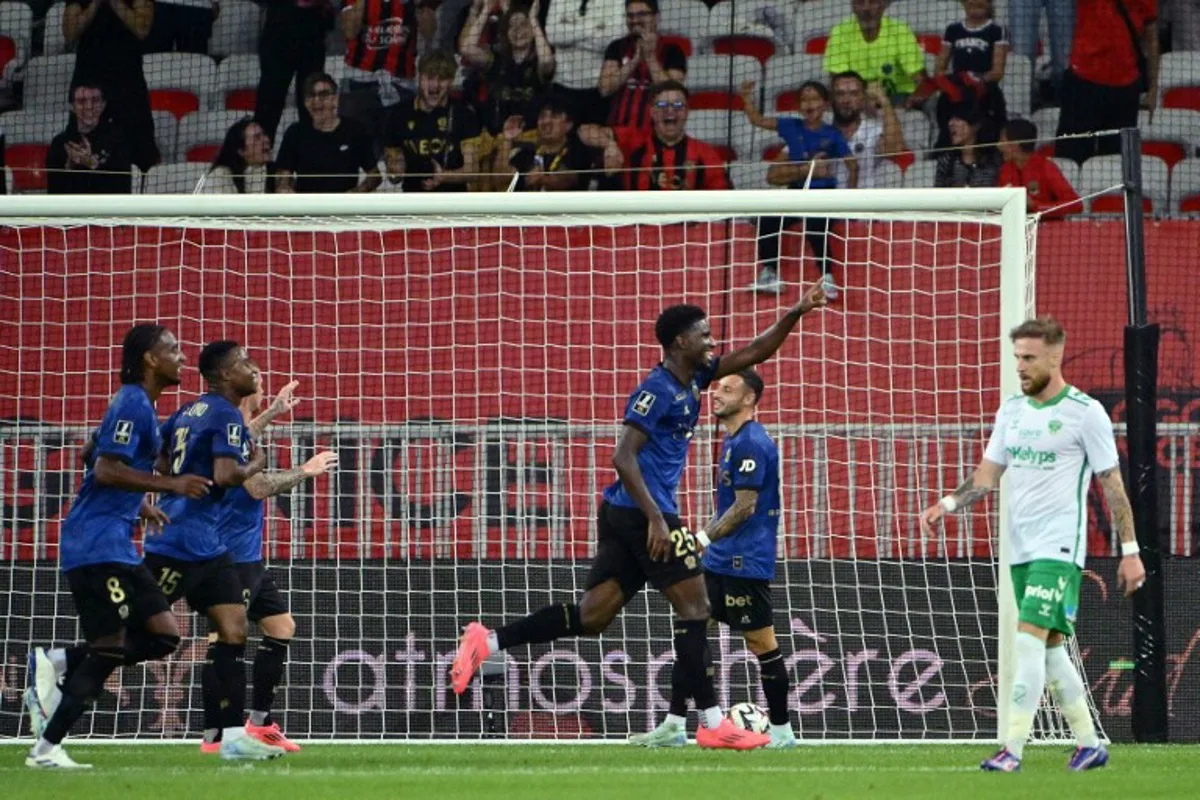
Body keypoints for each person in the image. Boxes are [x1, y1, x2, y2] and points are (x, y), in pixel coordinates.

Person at [451, 286, 829, 750]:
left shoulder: (697, 376)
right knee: (695, 608)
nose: (712, 342)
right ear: (678, 344)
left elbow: (757, 351)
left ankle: (486, 641)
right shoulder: (656, 390)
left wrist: (796, 311)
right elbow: (622, 457)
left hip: (625, 513)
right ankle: (710, 723)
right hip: (641, 512)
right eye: (703, 335)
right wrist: (655, 519)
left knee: (593, 616)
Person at [919, 316, 1145, 772]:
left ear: (1055, 357)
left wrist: (1131, 550)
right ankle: (1089, 743)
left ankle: (1012, 749)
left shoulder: (1085, 412)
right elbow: (987, 475)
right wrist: (947, 503)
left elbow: (1113, 484)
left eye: (1028, 358)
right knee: (1049, 649)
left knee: (1026, 641)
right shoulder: (1012, 412)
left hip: (1058, 549)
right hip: (1020, 550)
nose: (1020, 367)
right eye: (1016, 357)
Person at [22, 325, 210, 769]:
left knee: (165, 634)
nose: (182, 357)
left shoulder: (137, 406)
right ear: (149, 358)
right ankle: (45, 750)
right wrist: (168, 484)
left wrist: (139, 503)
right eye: (173, 350)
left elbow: (91, 453)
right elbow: (105, 469)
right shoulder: (131, 401)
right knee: (109, 646)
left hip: (117, 544)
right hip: (94, 544)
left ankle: (57, 660)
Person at [631, 369, 798, 749]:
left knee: (761, 644)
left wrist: (701, 538)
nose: (717, 393)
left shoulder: (752, 442)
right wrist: (703, 540)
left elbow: (745, 506)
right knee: (691, 633)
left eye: (728, 388)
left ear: (750, 399)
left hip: (745, 562)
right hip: (721, 559)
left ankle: (783, 732)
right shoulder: (733, 440)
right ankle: (674, 723)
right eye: (717, 387)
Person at [142, 340, 284, 761]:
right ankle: (61, 668)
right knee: (136, 634)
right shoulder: (224, 414)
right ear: (223, 375)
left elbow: (163, 461)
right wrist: (256, 463)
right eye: (243, 363)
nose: (251, 368)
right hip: (180, 542)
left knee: (234, 629)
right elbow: (227, 475)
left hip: (208, 545)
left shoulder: (189, 410)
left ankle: (232, 737)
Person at [199, 368, 338, 754]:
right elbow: (256, 486)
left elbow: (247, 439)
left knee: (281, 626)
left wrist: (274, 410)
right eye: (256, 377)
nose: (261, 382)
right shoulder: (227, 426)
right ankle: (216, 736)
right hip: (228, 557)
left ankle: (259, 723)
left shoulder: (236, 425)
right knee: (224, 643)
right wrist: (305, 471)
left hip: (248, 555)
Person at [740, 80, 857, 298]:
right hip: (796, 190)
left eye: (814, 99)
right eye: (804, 99)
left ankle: (827, 278)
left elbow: (853, 165)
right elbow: (756, 120)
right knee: (768, 219)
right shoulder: (790, 125)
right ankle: (770, 273)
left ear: (824, 104)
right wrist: (747, 98)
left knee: (815, 225)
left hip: (823, 193)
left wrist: (849, 199)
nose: (809, 104)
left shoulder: (832, 134)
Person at [1055, 0, 1158, 165]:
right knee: (1070, 160)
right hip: (1083, 84)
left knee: (1116, 165)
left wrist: (1153, 90)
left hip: (1125, 91)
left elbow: (1152, 39)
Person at [579, 81, 730, 191]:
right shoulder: (634, 141)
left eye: (678, 105)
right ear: (652, 112)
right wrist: (609, 145)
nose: (670, 111)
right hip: (639, 229)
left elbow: (724, 198)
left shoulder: (705, 154)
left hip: (687, 231)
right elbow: (584, 131)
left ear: (686, 112)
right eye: (662, 105)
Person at [62, 0, 158, 170]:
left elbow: (142, 29)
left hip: (127, 80)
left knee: (139, 150)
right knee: (84, 150)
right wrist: (95, 4)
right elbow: (70, 33)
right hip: (89, 77)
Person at [383, 50, 482, 192]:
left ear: (452, 80)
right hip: (413, 201)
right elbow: (393, 177)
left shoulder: (463, 114)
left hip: (453, 201)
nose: (435, 85)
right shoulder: (398, 115)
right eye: (429, 78)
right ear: (419, 78)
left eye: (442, 79)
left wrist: (444, 177)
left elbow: (472, 171)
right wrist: (395, 171)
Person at [459, 0, 555, 136]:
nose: (518, 30)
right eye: (512, 26)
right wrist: (486, 10)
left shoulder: (538, 63)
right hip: (497, 137)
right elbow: (467, 49)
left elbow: (546, 61)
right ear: (506, 33)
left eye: (523, 25)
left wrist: (533, 20)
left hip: (531, 138)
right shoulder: (496, 60)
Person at [275, 73, 381, 193]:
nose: (316, 101)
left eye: (323, 95)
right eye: (311, 95)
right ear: (305, 102)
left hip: (343, 208)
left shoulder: (355, 130)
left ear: (335, 99)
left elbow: (375, 176)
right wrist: (289, 195)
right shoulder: (294, 133)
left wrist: (354, 194)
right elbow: (282, 179)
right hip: (307, 208)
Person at [598, 0, 686, 131]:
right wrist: (635, 60)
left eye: (642, 14)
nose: (635, 20)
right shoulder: (617, 47)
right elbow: (605, 89)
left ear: (656, 18)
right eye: (630, 16)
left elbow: (671, 94)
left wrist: (650, 58)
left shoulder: (673, 50)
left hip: (657, 133)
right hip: (617, 131)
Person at [822, 0, 927, 106]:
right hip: (856, 99)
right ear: (853, 6)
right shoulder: (840, 32)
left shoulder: (900, 31)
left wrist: (916, 97)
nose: (866, 8)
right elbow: (838, 81)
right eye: (860, 2)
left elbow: (920, 78)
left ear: (883, 5)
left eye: (873, 2)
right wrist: (866, 99)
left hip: (899, 98)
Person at [254, 0, 331, 142]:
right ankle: (258, 159)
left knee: (311, 101)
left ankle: (310, 158)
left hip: (312, 34)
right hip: (279, 32)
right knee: (269, 103)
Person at [491, 97, 594, 191]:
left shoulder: (578, 151)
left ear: (568, 124)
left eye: (554, 115)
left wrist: (543, 179)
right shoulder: (526, 153)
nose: (546, 121)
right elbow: (500, 179)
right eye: (542, 116)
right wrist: (507, 139)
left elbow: (570, 179)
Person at [46, 83, 133, 195]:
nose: (88, 106)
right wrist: (69, 167)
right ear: (72, 106)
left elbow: (122, 191)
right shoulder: (59, 144)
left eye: (95, 100)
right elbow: (54, 194)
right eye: (82, 101)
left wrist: (92, 165)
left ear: (103, 105)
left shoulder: (118, 141)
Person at [828, 71, 907, 189]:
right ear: (831, 99)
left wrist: (883, 100)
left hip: (863, 203)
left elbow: (894, 149)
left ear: (863, 99)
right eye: (840, 94)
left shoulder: (873, 130)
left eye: (854, 94)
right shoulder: (819, 127)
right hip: (823, 202)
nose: (846, 100)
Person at [996, 119, 1082, 218]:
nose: (999, 146)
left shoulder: (1046, 167)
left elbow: (1076, 205)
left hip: (1047, 228)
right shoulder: (1005, 170)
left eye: (1002, 141)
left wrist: (1035, 206)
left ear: (1016, 144)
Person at [200, 118, 274, 194]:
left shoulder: (271, 172)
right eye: (257, 137)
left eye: (264, 134)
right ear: (241, 151)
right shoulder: (219, 176)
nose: (266, 140)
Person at [933, 105, 1000, 188]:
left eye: (958, 119)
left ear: (976, 126)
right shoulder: (946, 160)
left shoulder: (994, 160)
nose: (951, 123)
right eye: (950, 119)